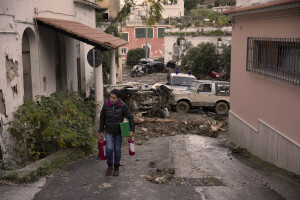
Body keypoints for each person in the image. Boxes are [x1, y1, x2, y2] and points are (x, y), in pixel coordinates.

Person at [99, 89, 135, 176]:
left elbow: (130, 117)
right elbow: (102, 118)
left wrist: (132, 130)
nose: (111, 99)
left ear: (118, 99)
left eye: (113, 98)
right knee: (109, 149)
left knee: (117, 149)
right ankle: (110, 166)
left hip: (118, 132)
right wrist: (100, 130)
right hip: (108, 131)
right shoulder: (106, 105)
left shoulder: (123, 106)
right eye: (110, 97)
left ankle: (116, 167)